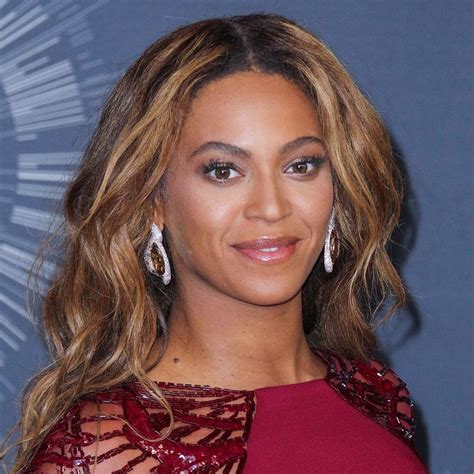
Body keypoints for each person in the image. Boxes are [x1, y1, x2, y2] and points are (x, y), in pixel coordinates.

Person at [1, 13, 429, 473]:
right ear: (152, 201)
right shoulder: (107, 451)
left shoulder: (378, 395)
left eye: (301, 165)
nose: (270, 207)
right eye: (223, 170)